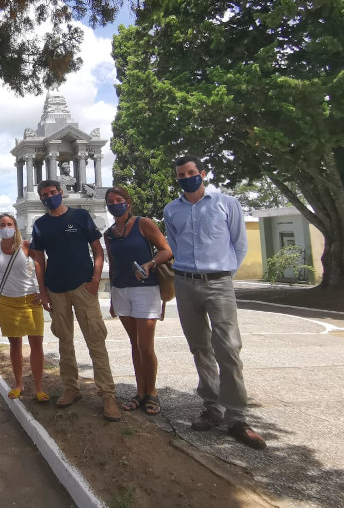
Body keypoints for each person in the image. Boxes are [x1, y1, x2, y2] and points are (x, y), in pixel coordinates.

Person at [164, 156, 266, 449]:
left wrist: (224, 274)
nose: (187, 177)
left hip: (219, 283)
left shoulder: (226, 203)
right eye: (182, 175)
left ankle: (237, 417)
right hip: (184, 282)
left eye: (192, 172)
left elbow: (239, 243)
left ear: (203, 174)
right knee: (199, 347)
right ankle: (212, 408)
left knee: (229, 348)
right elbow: (175, 244)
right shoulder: (172, 210)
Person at [29, 180, 121, 421]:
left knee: (95, 338)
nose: (49, 197)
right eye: (45, 195)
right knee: (64, 342)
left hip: (83, 287)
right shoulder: (40, 225)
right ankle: (71, 387)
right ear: (41, 199)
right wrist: (43, 291)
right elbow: (39, 260)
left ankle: (107, 394)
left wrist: (94, 279)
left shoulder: (80, 216)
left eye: (53, 192)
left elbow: (98, 250)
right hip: (56, 289)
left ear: (61, 193)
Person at [103, 187, 172, 416]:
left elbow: (166, 250)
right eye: (111, 201)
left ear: (128, 202)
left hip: (145, 289)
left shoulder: (144, 224)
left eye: (119, 200)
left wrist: (150, 264)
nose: (115, 204)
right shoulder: (110, 233)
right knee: (134, 344)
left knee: (145, 346)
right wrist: (113, 296)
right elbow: (112, 264)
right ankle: (140, 392)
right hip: (122, 290)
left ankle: (152, 392)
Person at [0, 212, 48, 401]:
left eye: (9, 224)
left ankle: (38, 388)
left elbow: (40, 267)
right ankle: (18, 384)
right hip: (6, 301)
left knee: (36, 343)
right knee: (15, 344)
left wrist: (43, 292)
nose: (6, 228)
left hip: (30, 300)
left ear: (15, 226)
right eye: (2, 225)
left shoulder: (26, 246)